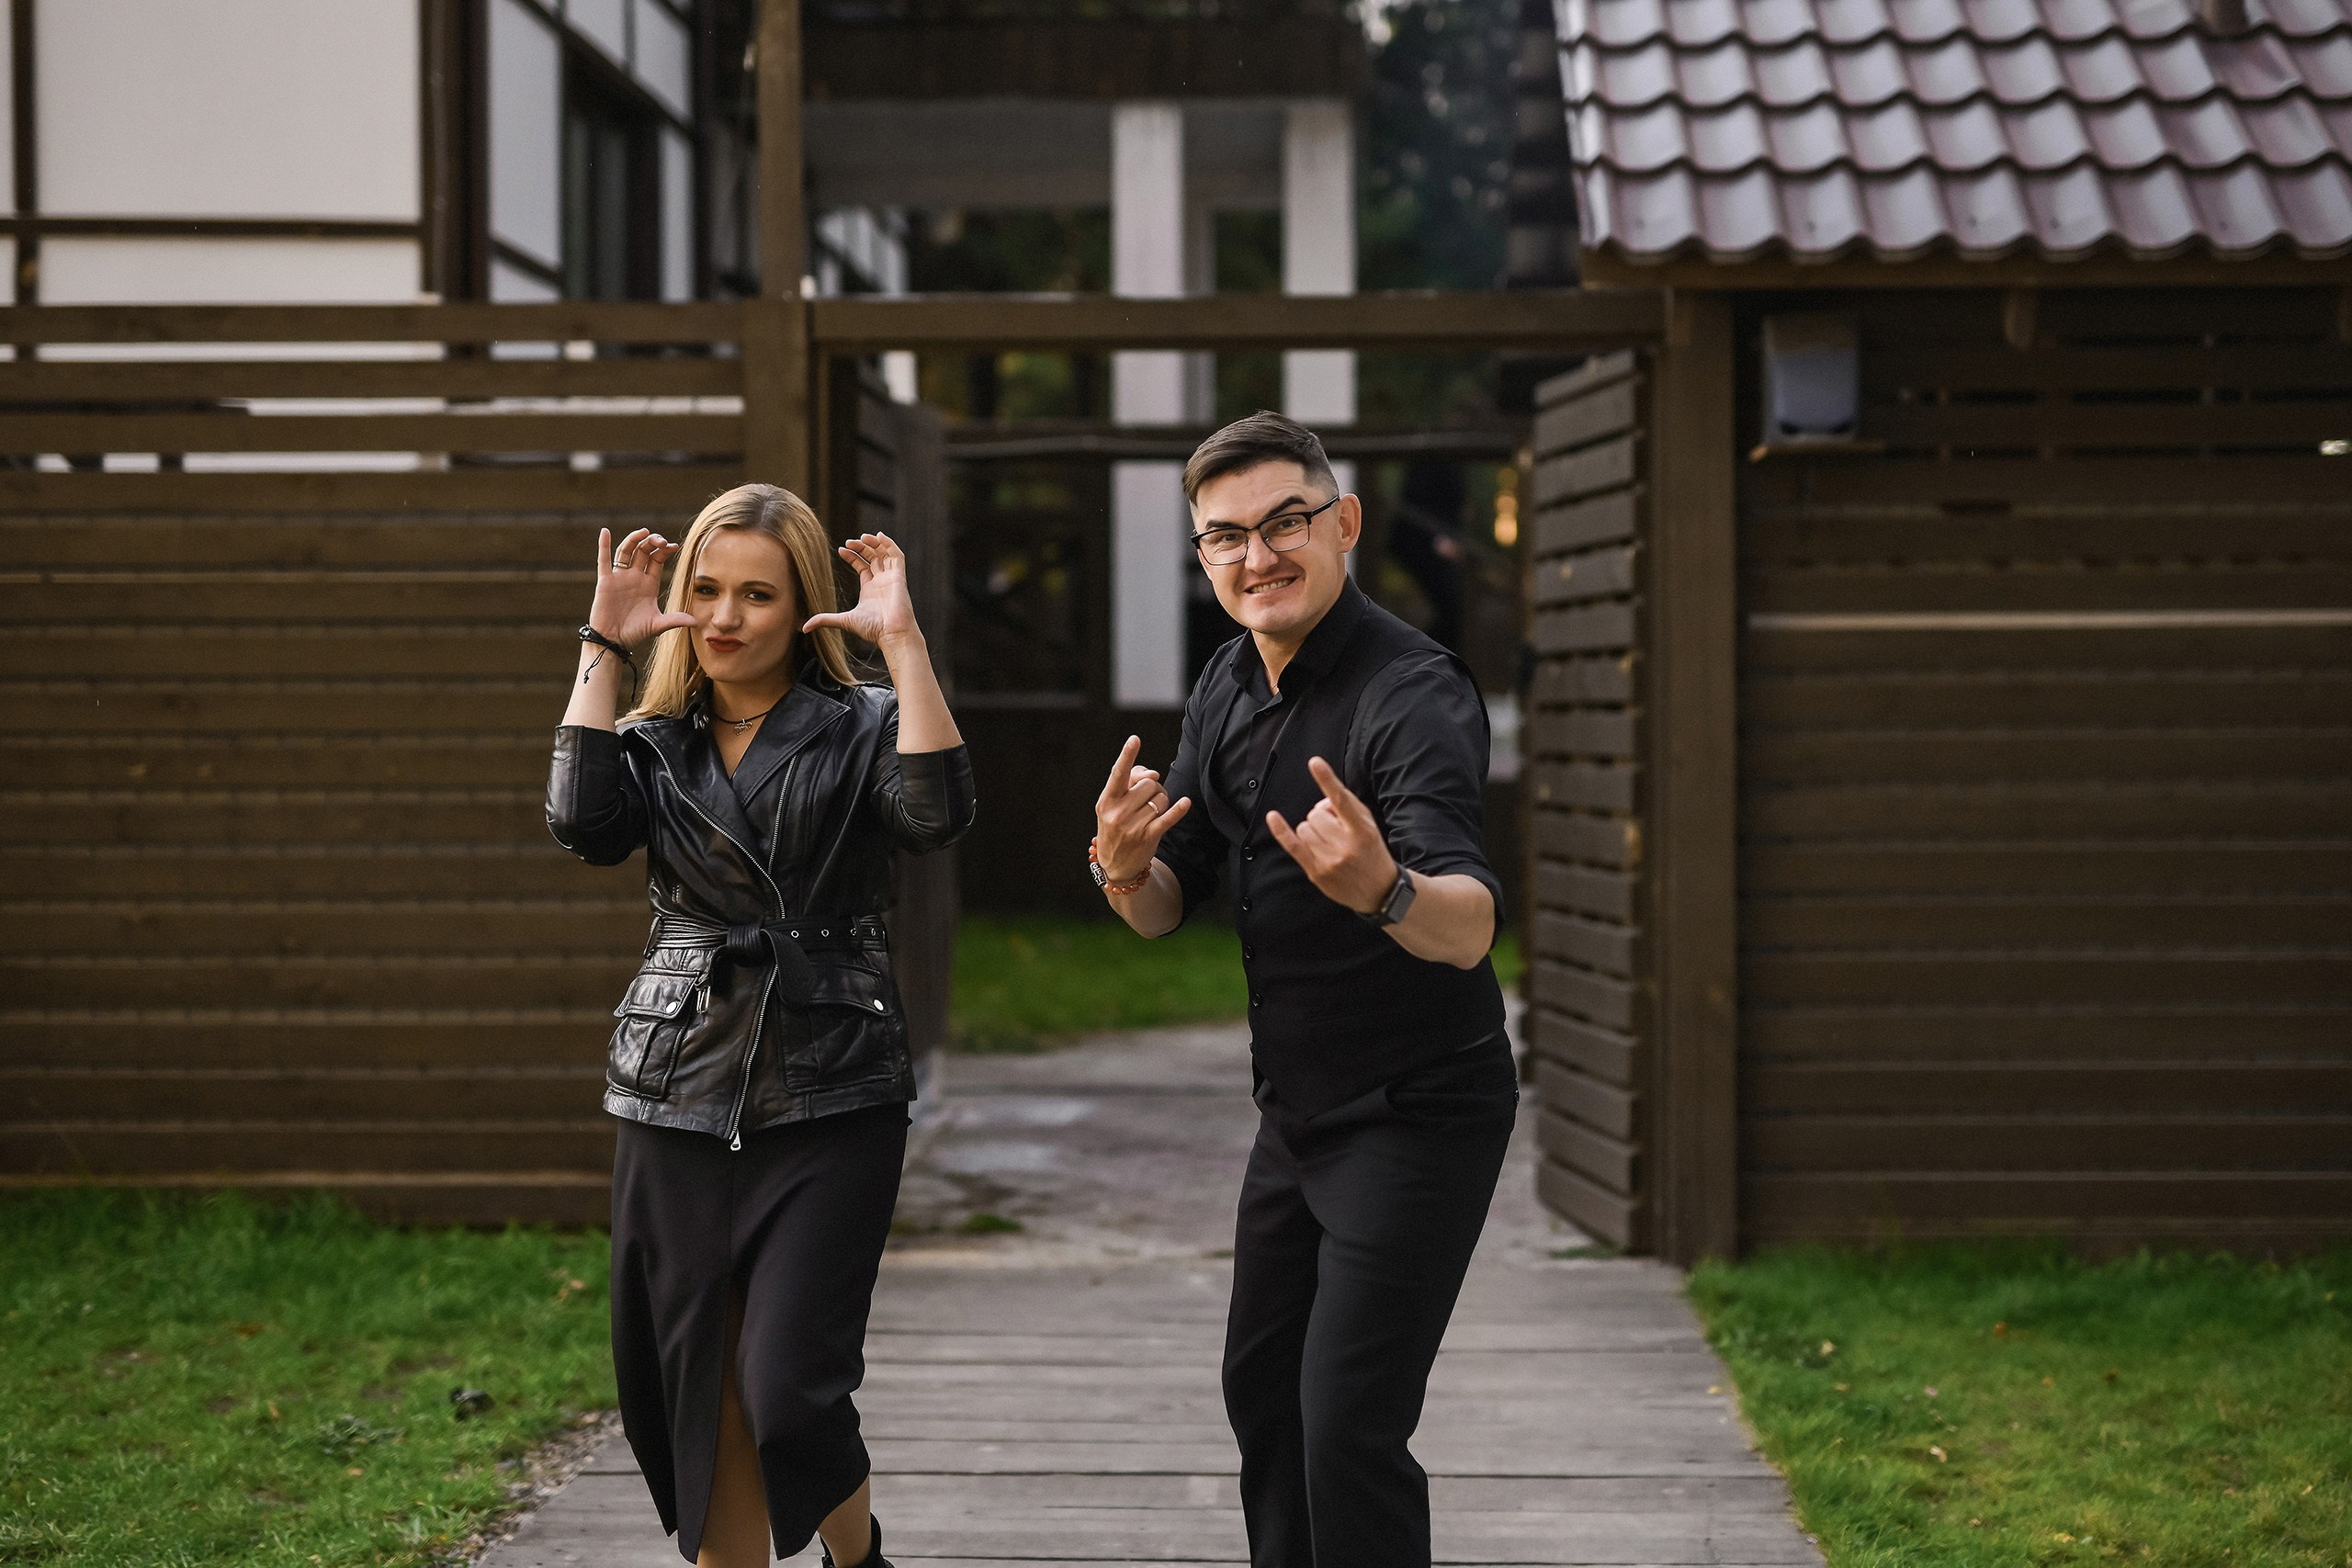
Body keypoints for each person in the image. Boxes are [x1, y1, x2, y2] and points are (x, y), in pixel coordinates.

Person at [1091, 412, 1515, 1568]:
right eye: (1224, 536)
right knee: (1264, 1401)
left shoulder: (1410, 694)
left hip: (1420, 1106)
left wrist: (1382, 888)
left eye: (1284, 523)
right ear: (1201, 556)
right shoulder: (1228, 683)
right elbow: (1164, 897)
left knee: (1346, 1429)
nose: (1256, 556)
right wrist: (1123, 866)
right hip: (1298, 1113)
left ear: (1345, 525)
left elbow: (1470, 927)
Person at [546, 483, 972, 1568]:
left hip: (830, 1085)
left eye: (758, 595)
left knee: (787, 1389)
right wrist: (605, 640)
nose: (728, 616)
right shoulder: (651, 737)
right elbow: (580, 824)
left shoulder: (862, 722)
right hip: (676, 1081)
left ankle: (856, 1552)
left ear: (802, 612)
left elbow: (936, 813)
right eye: (707, 588)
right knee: (700, 1390)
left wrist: (906, 646)